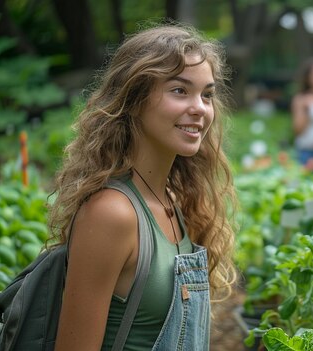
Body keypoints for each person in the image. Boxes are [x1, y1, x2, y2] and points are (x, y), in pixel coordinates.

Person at [49, 24, 237, 350]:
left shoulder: (175, 201)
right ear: (134, 99)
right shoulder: (112, 214)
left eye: (207, 94)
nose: (200, 108)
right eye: (180, 91)